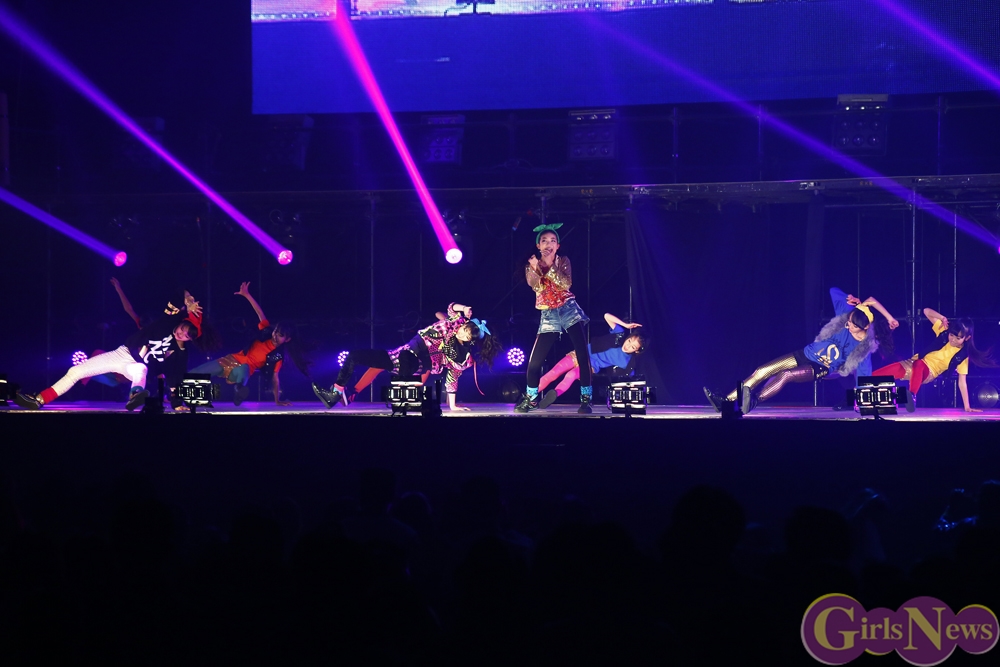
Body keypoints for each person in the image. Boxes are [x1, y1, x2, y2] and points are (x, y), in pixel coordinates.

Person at [704, 288, 898, 415]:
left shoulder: (862, 350)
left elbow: (863, 378)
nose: (848, 325)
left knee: (786, 375)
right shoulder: (847, 316)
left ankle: (753, 401)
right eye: (849, 321)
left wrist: (863, 404)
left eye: (853, 326)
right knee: (762, 371)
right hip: (805, 354)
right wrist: (857, 301)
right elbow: (834, 291)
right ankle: (726, 402)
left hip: (820, 368)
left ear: (865, 327)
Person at [14, 290, 204, 411]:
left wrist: (177, 404)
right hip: (121, 354)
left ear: (189, 340)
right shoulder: (167, 323)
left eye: (185, 336)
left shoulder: (180, 354)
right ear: (181, 323)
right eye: (182, 329)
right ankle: (39, 399)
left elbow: (175, 378)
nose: (180, 334)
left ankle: (135, 395)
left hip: (135, 366)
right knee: (75, 371)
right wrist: (188, 300)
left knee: (141, 369)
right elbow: (177, 295)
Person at [312, 303, 501, 412]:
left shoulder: (460, 355)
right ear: (464, 324)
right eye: (464, 329)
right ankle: (337, 393)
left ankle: (403, 402)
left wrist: (452, 406)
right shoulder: (454, 323)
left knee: (401, 362)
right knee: (355, 356)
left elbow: (452, 379)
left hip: (415, 361)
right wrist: (464, 307)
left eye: (465, 336)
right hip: (403, 353)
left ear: (469, 341)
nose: (461, 333)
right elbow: (451, 307)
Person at [515, 223, 594, 414]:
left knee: (582, 356)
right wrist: (536, 268)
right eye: (544, 241)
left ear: (557, 246)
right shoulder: (532, 264)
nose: (548, 244)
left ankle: (586, 400)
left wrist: (550, 265)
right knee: (534, 363)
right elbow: (536, 286)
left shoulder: (563, 261)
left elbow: (565, 284)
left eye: (552, 241)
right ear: (538, 246)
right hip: (548, 314)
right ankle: (531, 399)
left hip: (569, 310)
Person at [189, 282, 310, 406]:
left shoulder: (277, 356)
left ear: (287, 339)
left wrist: (277, 400)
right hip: (230, 360)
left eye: (280, 335)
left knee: (245, 368)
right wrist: (247, 295)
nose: (275, 335)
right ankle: (182, 398)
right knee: (195, 372)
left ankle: (239, 391)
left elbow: (275, 378)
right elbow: (260, 313)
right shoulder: (266, 333)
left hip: (241, 372)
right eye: (275, 331)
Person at [872, 308, 994, 412]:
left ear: (967, 338)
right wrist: (942, 318)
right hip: (912, 363)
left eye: (958, 338)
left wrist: (967, 407)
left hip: (928, 372)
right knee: (874, 376)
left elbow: (962, 382)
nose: (953, 339)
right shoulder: (943, 332)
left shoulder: (962, 356)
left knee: (919, 364)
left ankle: (912, 395)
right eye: (951, 335)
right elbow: (926, 311)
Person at [536, 312, 646, 409]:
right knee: (553, 372)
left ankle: (553, 395)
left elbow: (631, 378)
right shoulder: (619, 334)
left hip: (591, 365)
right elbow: (606, 316)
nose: (628, 346)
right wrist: (625, 325)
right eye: (629, 341)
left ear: (636, 351)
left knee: (571, 375)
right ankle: (530, 396)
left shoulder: (626, 361)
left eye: (632, 347)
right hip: (581, 354)